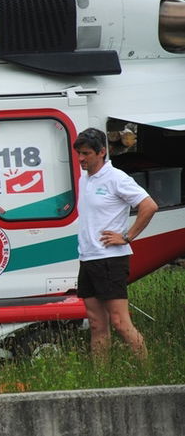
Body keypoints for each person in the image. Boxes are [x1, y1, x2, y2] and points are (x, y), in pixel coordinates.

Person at [72, 128, 157, 360]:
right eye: (79, 153)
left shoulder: (116, 178)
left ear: (101, 152)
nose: (81, 159)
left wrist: (127, 236)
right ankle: (100, 382)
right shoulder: (85, 177)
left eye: (86, 154)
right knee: (97, 324)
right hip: (88, 257)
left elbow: (149, 206)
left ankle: (147, 375)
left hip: (110, 258)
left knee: (120, 322)